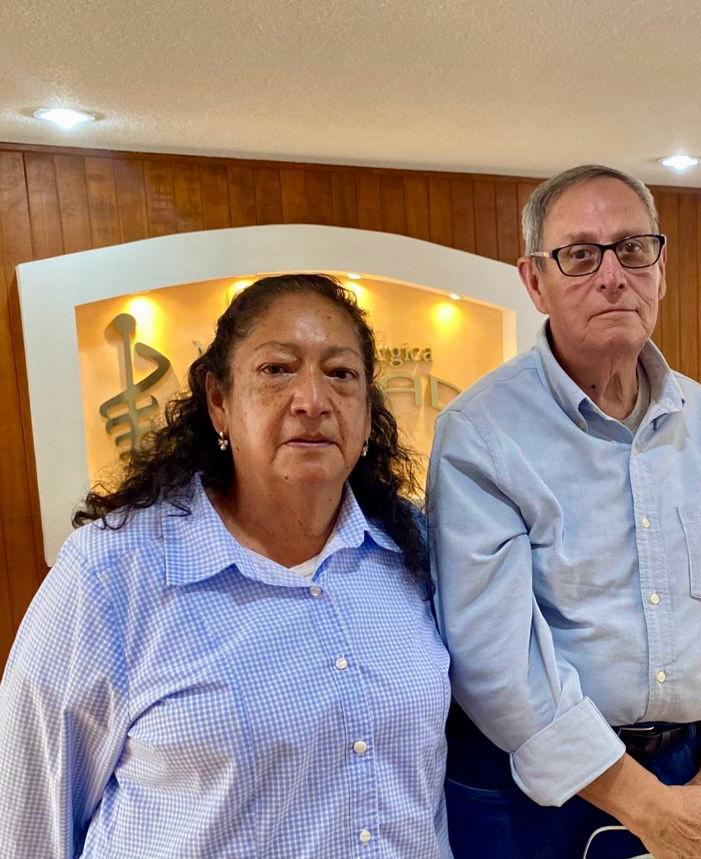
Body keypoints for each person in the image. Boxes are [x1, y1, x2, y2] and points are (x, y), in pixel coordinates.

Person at [0, 274, 451, 858]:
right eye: (277, 370)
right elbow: (27, 822)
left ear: (366, 413)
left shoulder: (413, 549)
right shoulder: (113, 572)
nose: (313, 401)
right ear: (219, 402)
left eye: (341, 374)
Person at [427, 164, 701, 859]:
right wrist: (651, 809)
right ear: (535, 281)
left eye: (634, 249)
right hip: (542, 795)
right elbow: (496, 665)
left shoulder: (700, 416)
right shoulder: (482, 431)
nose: (613, 276)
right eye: (581, 255)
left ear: (661, 269)